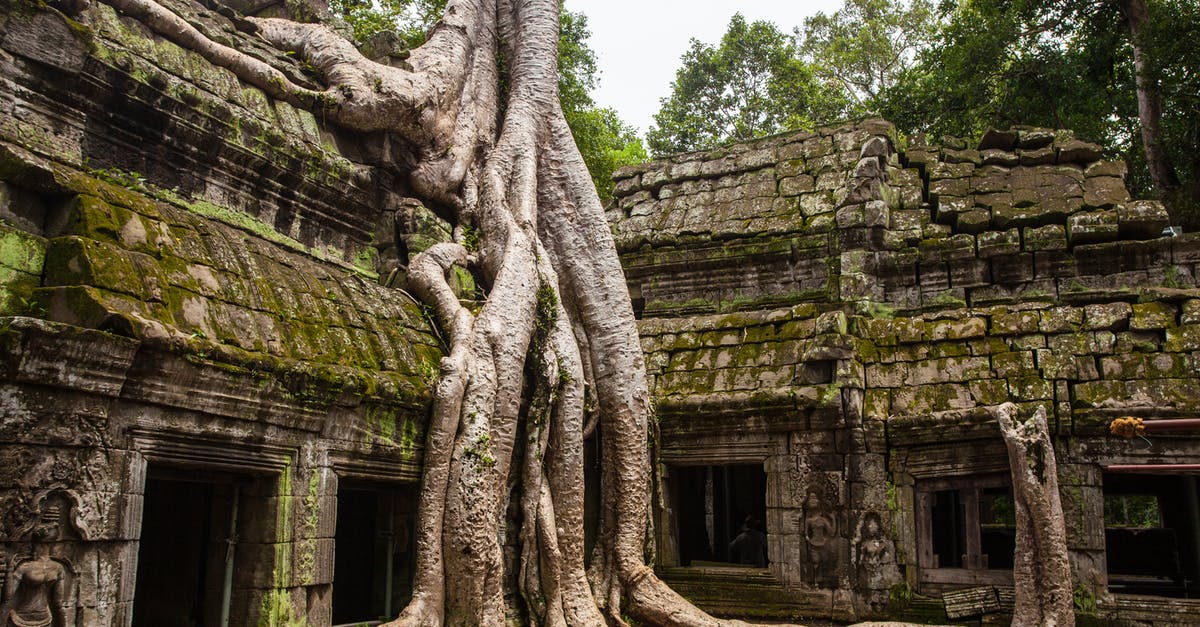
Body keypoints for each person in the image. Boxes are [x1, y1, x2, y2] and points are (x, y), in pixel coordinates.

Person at [0, 524, 67, 627]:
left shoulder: (56, 568)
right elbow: (7, 596)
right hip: (21, 619)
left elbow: (58, 603)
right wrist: (9, 570)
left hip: (45, 618)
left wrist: (10, 569)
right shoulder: (56, 568)